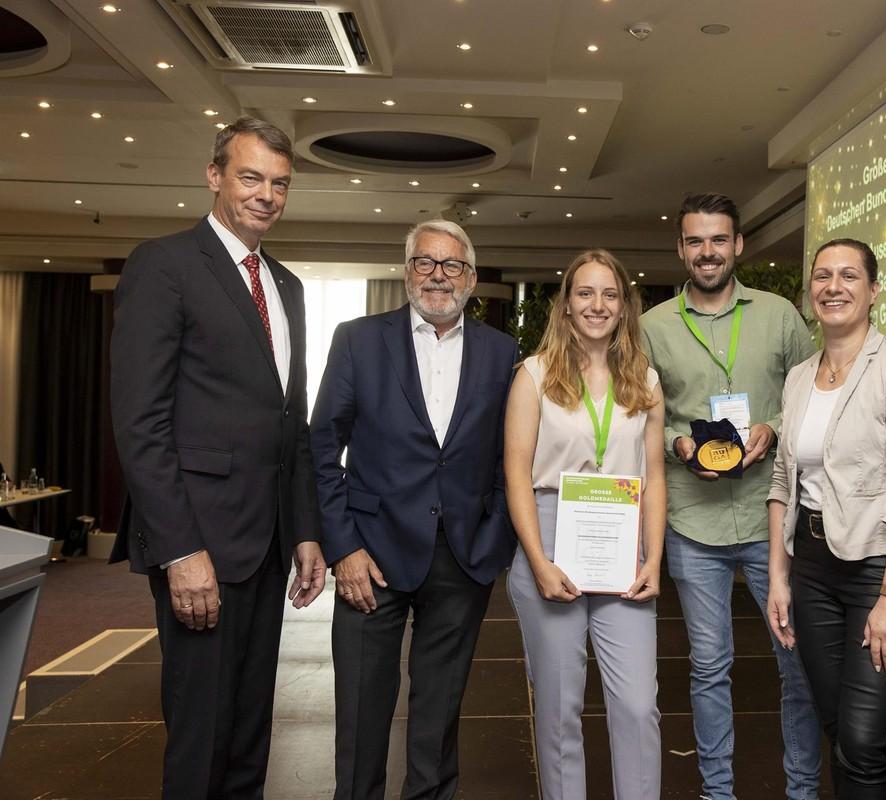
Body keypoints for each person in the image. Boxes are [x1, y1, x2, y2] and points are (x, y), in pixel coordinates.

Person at [110, 116, 326, 799]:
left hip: (265, 547)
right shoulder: (165, 264)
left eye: (280, 183)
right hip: (199, 544)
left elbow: (292, 425)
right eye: (251, 177)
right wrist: (180, 550)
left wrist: (307, 531)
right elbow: (140, 423)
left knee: (248, 735)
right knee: (201, 737)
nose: (267, 195)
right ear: (214, 176)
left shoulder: (286, 285)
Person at [309, 218, 519, 800]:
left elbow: (512, 453)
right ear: (407, 273)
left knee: (438, 721)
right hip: (367, 558)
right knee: (359, 714)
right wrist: (343, 547)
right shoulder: (358, 339)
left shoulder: (502, 352)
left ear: (471, 279)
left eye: (451, 265)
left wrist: (494, 534)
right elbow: (322, 446)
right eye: (425, 263)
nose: (437, 276)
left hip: (462, 557)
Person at [641, 192, 821, 800]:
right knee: (708, 670)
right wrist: (680, 446)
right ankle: (718, 793)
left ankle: (801, 789)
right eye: (695, 241)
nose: (707, 252)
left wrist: (771, 424)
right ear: (682, 249)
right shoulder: (652, 327)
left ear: (738, 245)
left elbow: (812, 397)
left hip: (775, 521)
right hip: (695, 524)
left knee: (795, 666)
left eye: (718, 239)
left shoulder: (779, 316)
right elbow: (642, 415)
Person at [765, 239, 886, 799]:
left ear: (873, 289)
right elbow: (781, 483)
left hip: (875, 570)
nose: (832, 286)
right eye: (822, 276)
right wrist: (778, 576)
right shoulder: (798, 378)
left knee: (864, 741)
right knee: (839, 730)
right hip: (812, 570)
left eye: (848, 276)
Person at [504, 249, 666, 799]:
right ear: (566, 305)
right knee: (557, 710)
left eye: (610, 294)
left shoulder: (643, 379)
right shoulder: (534, 375)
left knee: (639, 706)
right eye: (585, 293)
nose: (598, 305)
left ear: (624, 307)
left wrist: (653, 558)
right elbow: (516, 476)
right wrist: (538, 561)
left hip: (624, 542)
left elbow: (656, 475)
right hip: (549, 537)